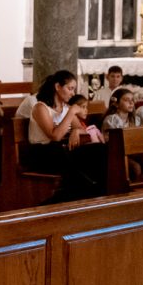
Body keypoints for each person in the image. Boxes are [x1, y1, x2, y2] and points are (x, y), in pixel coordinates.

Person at [25, 70, 107, 200]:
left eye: (73, 89)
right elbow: (55, 136)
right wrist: (71, 112)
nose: (73, 93)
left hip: (61, 150)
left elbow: (82, 129)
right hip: (42, 153)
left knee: (100, 150)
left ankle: (102, 190)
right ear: (57, 87)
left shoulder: (66, 108)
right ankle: (86, 192)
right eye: (70, 88)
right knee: (65, 156)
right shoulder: (40, 108)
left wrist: (75, 130)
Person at [102, 88, 143, 182]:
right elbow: (114, 142)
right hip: (115, 153)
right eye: (126, 100)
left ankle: (137, 184)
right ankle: (133, 190)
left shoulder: (135, 119)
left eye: (132, 100)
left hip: (132, 151)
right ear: (116, 103)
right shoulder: (111, 119)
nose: (131, 103)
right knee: (136, 167)